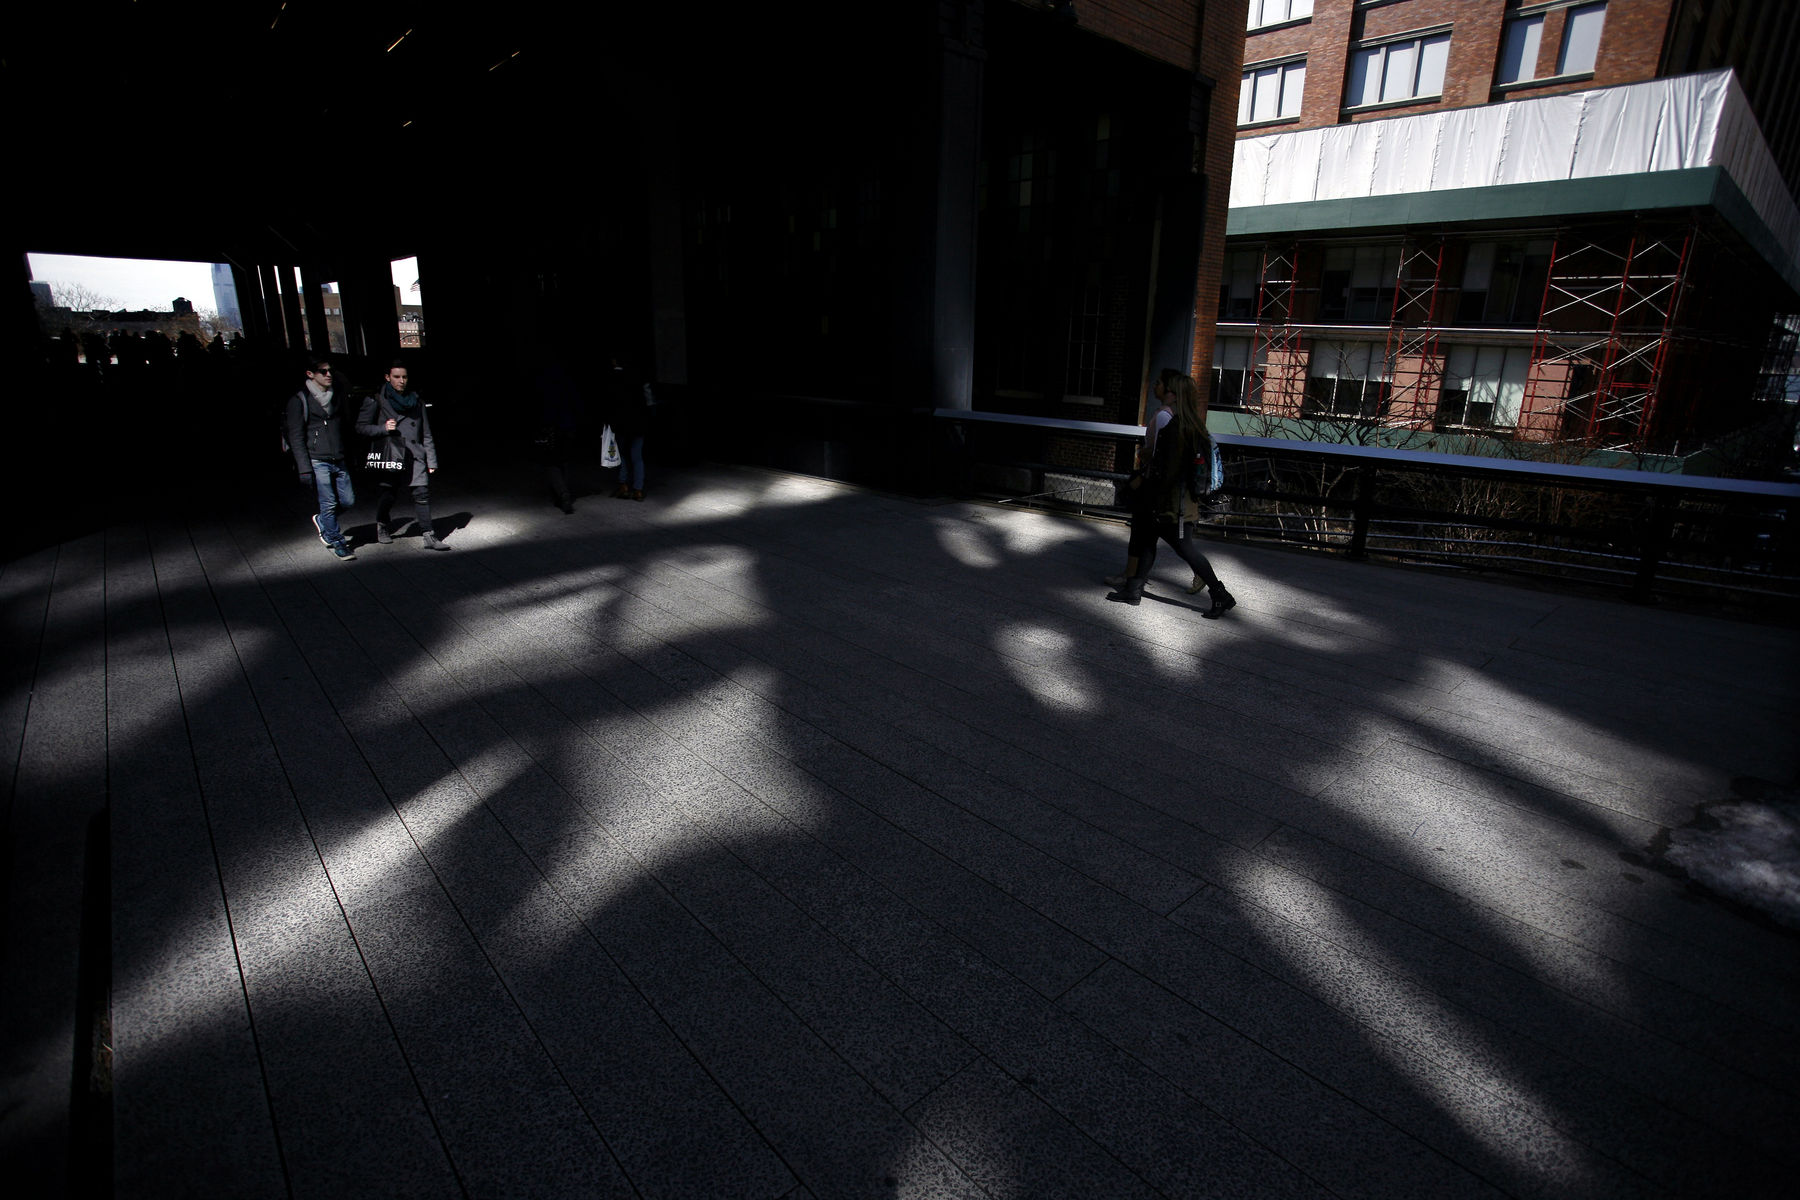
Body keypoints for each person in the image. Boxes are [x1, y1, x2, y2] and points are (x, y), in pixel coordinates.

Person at [1106, 371, 1235, 617]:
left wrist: (1152, 494)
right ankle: (1133, 590)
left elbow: (1168, 471)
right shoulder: (1192, 424)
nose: (1160, 390)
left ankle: (1221, 594)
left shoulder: (1178, 428)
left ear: (1174, 395)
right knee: (1147, 540)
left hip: (1173, 504)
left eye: (1164, 388)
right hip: (1178, 501)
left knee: (1185, 549)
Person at [357, 360, 448, 550]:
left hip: (414, 454)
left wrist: (431, 459)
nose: (401, 381)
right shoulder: (376, 400)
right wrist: (382, 428)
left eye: (404, 377)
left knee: (421, 493)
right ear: (387, 378)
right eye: (397, 377)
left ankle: (428, 534)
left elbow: (426, 432)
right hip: (392, 453)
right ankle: (382, 524)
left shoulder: (416, 401)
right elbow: (361, 427)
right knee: (388, 493)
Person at [1105, 369, 1179, 588]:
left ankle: (1132, 576)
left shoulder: (1164, 416)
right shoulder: (1164, 414)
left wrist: (1143, 457)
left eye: (1158, 383)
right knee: (1146, 532)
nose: (1155, 386)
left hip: (1150, 483)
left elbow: (1160, 452)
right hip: (1152, 481)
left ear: (1168, 389)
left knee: (1144, 531)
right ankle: (1133, 576)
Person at [284, 354, 356, 559]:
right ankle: (337, 541)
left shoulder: (337, 395)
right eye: (323, 371)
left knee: (348, 501)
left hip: (338, 457)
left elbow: (345, 426)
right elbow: (296, 436)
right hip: (317, 459)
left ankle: (323, 521)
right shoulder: (300, 400)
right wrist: (304, 468)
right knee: (329, 502)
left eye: (330, 370)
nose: (328, 374)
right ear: (310, 374)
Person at [603, 351, 652, 500]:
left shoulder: (612, 378)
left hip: (620, 423)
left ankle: (623, 485)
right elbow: (648, 399)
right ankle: (638, 489)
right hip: (638, 422)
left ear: (614, 361)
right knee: (637, 456)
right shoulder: (638, 376)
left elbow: (608, 403)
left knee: (622, 454)